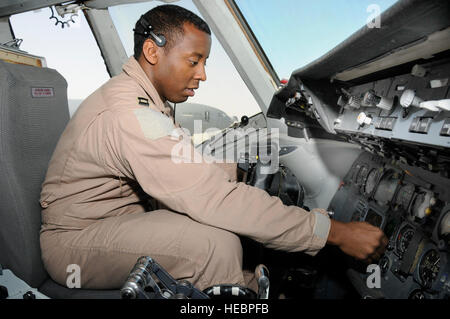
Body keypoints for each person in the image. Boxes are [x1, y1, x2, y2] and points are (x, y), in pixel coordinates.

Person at [39, 4, 387, 292]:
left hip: (116, 220)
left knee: (224, 221)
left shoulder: (145, 98)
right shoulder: (130, 112)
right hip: (74, 242)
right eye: (194, 61)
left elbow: (178, 164)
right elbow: (210, 197)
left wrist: (234, 173)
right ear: (152, 51)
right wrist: (335, 233)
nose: (203, 75)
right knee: (213, 247)